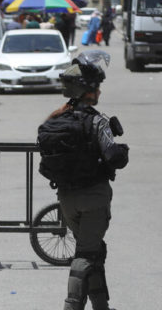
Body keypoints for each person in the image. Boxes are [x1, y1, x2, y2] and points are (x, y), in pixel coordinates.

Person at [37, 51, 130, 310]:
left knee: (94, 250)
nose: (99, 92)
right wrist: (123, 151)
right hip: (94, 199)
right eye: (96, 88)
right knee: (86, 255)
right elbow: (114, 158)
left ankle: (101, 305)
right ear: (87, 91)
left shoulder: (56, 119)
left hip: (67, 200)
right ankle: (72, 305)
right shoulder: (97, 121)